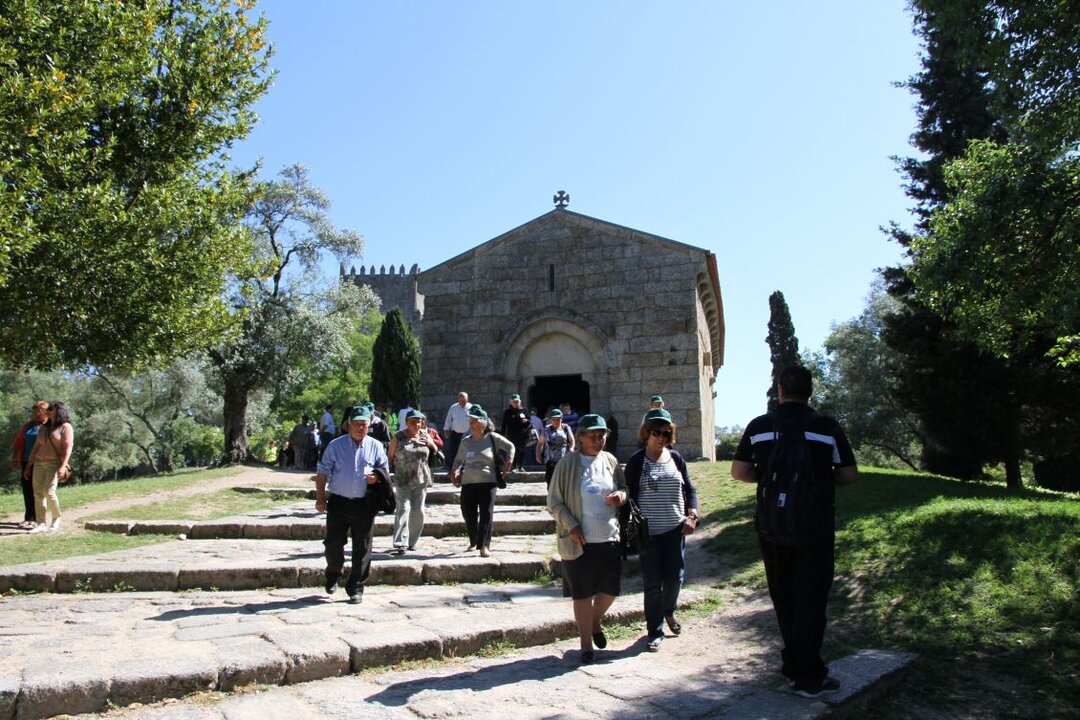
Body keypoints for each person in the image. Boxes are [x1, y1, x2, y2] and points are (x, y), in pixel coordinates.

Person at [731, 365, 858, 698]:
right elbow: (849, 475)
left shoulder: (760, 427)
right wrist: (819, 482)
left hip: (772, 526)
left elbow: (739, 471)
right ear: (810, 391)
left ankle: (793, 667)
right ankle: (810, 675)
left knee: (783, 596)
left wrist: (768, 477)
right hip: (816, 526)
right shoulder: (826, 427)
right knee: (811, 598)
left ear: (780, 391)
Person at [547, 414, 627, 664]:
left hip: (610, 537)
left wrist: (621, 497)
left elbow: (624, 488)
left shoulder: (611, 461)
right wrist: (571, 525)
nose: (598, 440)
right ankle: (585, 646)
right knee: (581, 594)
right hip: (578, 541)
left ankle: (594, 622)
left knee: (611, 590)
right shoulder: (567, 464)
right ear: (580, 437)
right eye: (592, 436)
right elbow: (554, 502)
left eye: (602, 436)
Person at [624, 407, 700, 652]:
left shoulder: (676, 458)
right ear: (646, 433)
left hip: (675, 530)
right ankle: (655, 631)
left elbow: (690, 490)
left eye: (666, 433)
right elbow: (629, 496)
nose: (660, 437)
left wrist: (692, 515)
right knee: (652, 583)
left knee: (675, 578)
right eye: (656, 432)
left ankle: (669, 610)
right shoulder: (636, 462)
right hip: (648, 534)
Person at [315, 406, 390, 604]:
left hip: (365, 503)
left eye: (363, 424)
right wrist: (320, 498)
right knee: (333, 543)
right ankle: (333, 573)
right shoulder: (335, 445)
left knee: (363, 547)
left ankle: (356, 587)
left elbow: (384, 469)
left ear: (368, 425)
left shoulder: (376, 446)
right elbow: (322, 473)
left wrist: (377, 477)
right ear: (348, 425)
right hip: (339, 502)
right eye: (356, 424)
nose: (359, 428)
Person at [451, 404, 513, 558]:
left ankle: (484, 545)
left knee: (486, 513)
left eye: (474, 421)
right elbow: (458, 460)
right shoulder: (466, 441)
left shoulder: (492, 438)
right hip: (468, 482)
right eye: (470, 421)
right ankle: (474, 540)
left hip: (488, 481)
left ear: (483, 423)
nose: (471, 423)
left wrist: (509, 461)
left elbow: (510, 446)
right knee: (467, 512)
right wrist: (455, 471)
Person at [387, 410, 437, 554]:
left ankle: (411, 542)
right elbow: (390, 455)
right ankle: (400, 543)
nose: (416, 424)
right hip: (403, 478)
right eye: (412, 422)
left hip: (421, 479)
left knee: (418, 511)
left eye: (418, 422)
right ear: (406, 423)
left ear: (422, 423)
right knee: (403, 509)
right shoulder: (398, 437)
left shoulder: (425, 435)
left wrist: (430, 444)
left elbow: (435, 450)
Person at [23, 401, 74, 533]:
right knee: (38, 494)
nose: (47, 411)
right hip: (39, 463)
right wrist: (28, 466)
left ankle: (56, 518)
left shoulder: (65, 427)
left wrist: (63, 466)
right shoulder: (44, 428)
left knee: (49, 492)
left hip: (54, 463)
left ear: (59, 411)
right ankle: (41, 523)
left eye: (51, 409)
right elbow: (35, 448)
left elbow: (68, 448)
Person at [10, 401, 47, 529]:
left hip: (42, 462)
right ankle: (29, 518)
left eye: (40, 411)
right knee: (27, 489)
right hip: (26, 461)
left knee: (39, 490)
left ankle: (38, 518)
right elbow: (18, 441)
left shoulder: (48, 425)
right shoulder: (28, 425)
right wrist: (15, 457)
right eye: (35, 411)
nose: (36, 413)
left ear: (46, 412)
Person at [536, 409, 574, 486]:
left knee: (563, 481)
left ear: (561, 419)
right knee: (550, 481)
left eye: (558, 419)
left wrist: (571, 449)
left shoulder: (566, 428)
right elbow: (540, 443)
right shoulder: (546, 429)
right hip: (550, 460)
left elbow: (572, 441)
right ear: (550, 420)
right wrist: (538, 453)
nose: (556, 421)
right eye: (554, 419)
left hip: (563, 459)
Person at [499, 394, 532, 472]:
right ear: (511, 402)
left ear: (520, 402)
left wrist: (526, 421)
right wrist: (502, 435)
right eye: (514, 402)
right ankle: (514, 466)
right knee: (514, 450)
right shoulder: (508, 412)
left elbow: (529, 422)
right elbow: (504, 424)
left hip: (523, 434)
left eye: (517, 401)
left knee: (522, 450)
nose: (516, 403)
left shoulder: (524, 410)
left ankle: (520, 466)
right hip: (512, 435)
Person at [443, 391, 472, 473]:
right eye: (460, 399)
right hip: (455, 434)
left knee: (467, 452)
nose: (462, 401)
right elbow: (449, 419)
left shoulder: (471, 408)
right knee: (453, 452)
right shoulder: (453, 408)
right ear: (458, 399)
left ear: (467, 399)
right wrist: (446, 429)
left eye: (464, 399)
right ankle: (453, 470)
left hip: (467, 434)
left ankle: (466, 469)